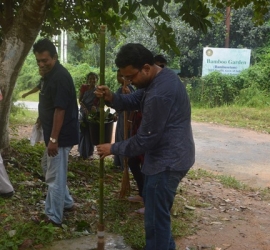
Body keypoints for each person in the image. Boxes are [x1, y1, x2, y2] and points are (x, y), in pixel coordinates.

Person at [95, 43, 195, 250]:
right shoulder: (159, 78)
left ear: (147, 68)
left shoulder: (160, 93)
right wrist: (112, 98)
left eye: (130, 78)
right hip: (166, 159)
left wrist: (112, 148)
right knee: (159, 218)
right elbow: (134, 99)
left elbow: (145, 140)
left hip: (166, 163)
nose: (128, 82)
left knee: (156, 225)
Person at [31, 38, 79, 227]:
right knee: (47, 166)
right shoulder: (49, 75)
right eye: (39, 61)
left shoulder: (60, 77)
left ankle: (53, 216)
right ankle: (66, 202)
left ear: (55, 57)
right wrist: (41, 118)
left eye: (45, 60)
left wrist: (53, 139)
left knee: (54, 176)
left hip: (60, 135)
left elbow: (60, 109)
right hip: (55, 133)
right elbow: (48, 102)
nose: (42, 64)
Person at [78, 72, 100, 160]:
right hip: (84, 111)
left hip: (92, 113)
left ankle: (89, 152)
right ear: (88, 80)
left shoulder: (98, 90)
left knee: (91, 132)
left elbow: (98, 103)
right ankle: (82, 152)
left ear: (96, 80)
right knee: (83, 131)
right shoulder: (84, 87)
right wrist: (85, 109)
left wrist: (94, 108)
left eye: (94, 78)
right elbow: (80, 100)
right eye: (90, 78)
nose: (92, 80)